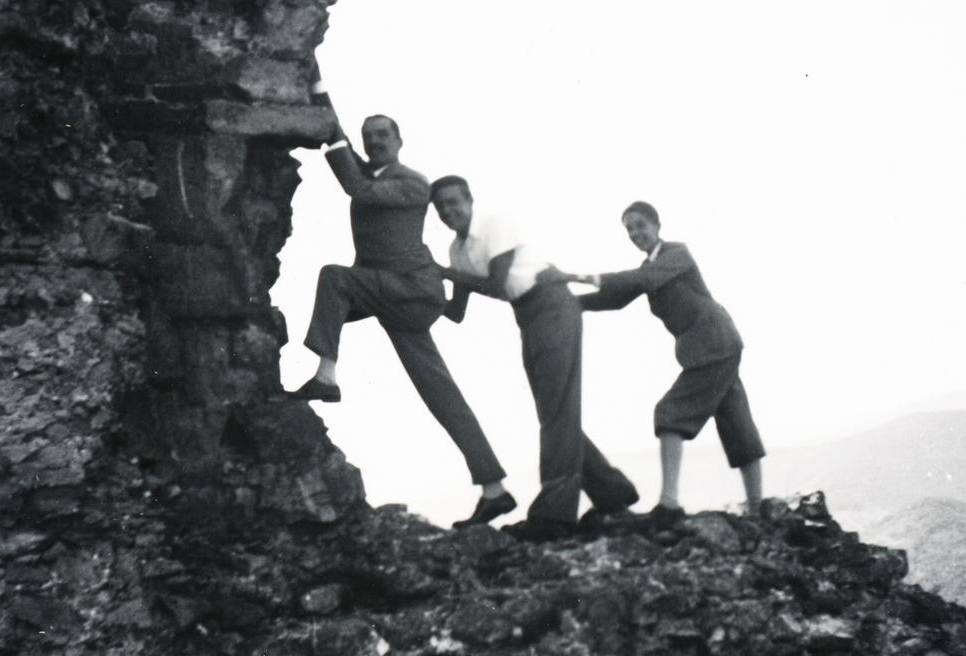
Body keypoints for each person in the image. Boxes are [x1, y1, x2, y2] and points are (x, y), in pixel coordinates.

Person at [288, 111, 516, 528]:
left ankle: (326, 377)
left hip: (413, 291)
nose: (375, 141)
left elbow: (355, 185)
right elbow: (343, 144)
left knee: (334, 279)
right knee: (441, 394)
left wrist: (336, 141)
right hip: (388, 293)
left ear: (399, 140)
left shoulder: (412, 183)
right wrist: (319, 96)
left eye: (382, 134)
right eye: (368, 136)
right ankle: (494, 490)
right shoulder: (373, 174)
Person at [429, 175, 638, 537]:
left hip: (552, 304)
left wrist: (444, 273)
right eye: (440, 207)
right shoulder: (456, 250)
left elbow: (496, 286)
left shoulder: (494, 225)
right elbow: (456, 312)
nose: (448, 211)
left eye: (453, 202)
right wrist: (420, 282)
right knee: (553, 412)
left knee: (556, 411)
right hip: (526, 315)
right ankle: (612, 494)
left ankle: (554, 516)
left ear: (469, 200)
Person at [564, 201, 765, 520]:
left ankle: (669, 502)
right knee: (736, 420)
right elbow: (616, 297)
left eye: (640, 225)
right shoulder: (649, 266)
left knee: (670, 413)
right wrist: (566, 302)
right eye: (629, 229)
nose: (635, 233)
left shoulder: (676, 254)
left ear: (657, 225)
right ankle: (757, 509)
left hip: (713, 345)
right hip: (716, 346)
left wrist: (574, 276)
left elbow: (639, 280)